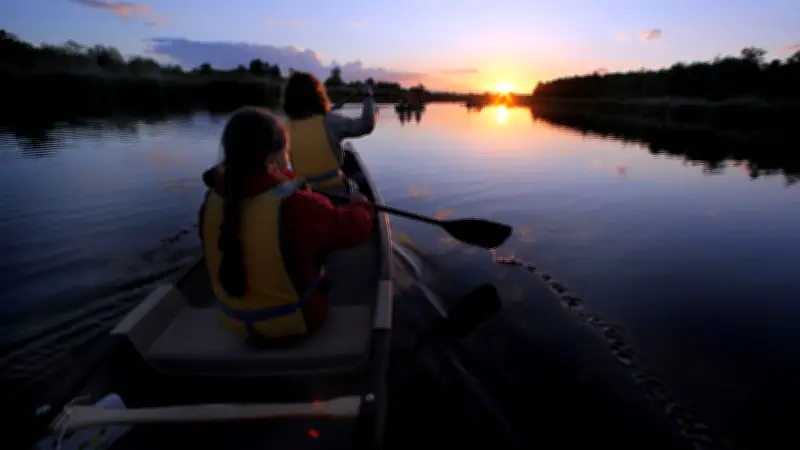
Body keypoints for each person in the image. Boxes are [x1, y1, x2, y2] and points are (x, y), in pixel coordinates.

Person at [198, 107, 374, 340]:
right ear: (273, 157)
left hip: (233, 323)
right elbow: (357, 228)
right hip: (296, 323)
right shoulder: (296, 206)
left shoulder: (209, 203)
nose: (289, 162)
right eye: (287, 152)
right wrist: (360, 205)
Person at [282, 71, 377, 194]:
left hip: (306, 196)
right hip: (338, 195)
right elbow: (366, 124)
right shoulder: (330, 122)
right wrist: (368, 96)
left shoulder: (283, 128)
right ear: (318, 95)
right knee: (359, 186)